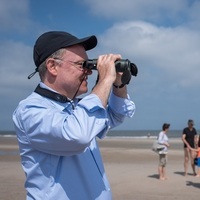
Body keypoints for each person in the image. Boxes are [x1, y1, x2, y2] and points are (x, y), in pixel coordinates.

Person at [12, 31, 136, 200]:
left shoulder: (76, 107)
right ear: (52, 66)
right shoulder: (30, 110)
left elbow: (116, 114)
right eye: (81, 65)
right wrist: (105, 80)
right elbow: (77, 136)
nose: (89, 72)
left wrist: (117, 84)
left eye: (88, 65)